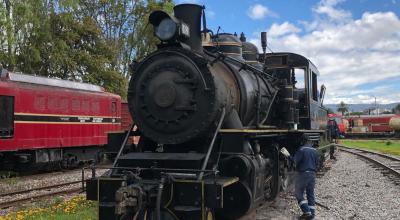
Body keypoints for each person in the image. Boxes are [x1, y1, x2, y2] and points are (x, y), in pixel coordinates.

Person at [293, 134, 319, 220]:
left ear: (302, 141)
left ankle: (306, 211)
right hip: (312, 174)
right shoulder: (315, 151)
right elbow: (317, 164)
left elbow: (294, 161)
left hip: (304, 174)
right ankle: (312, 216)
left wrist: (288, 156)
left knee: (298, 192)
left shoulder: (302, 149)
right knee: (310, 194)